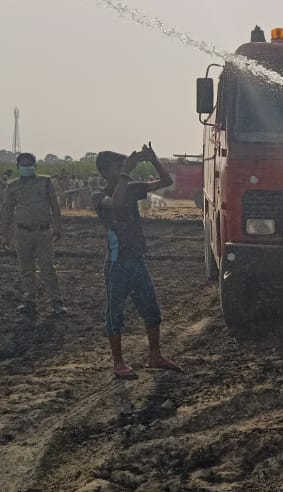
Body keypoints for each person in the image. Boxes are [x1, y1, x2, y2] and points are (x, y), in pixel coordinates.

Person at [92, 145, 179, 379]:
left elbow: (165, 180)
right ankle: (118, 362)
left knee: (151, 310)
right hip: (117, 264)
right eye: (118, 167)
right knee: (115, 314)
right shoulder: (99, 197)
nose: (123, 169)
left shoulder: (130, 189)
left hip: (136, 261)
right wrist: (126, 173)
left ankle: (155, 355)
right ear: (106, 172)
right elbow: (117, 203)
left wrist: (153, 160)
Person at [2, 153, 66, 315]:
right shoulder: (12, 186)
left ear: (34, 165)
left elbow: (55, 206)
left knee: (47, 267)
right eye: (23, 164)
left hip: (43, 232)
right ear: (18, 167)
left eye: (29, 164)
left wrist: (58, 227)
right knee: (26, 268)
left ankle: (56, 301)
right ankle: (30, 299)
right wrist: (5, 234)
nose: (26, 167)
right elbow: (8, 211)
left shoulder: (45, 182)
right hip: (22, 232)